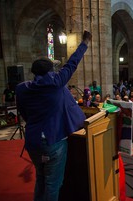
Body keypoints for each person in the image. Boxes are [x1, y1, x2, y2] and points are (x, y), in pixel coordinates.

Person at [16, 31, 92, 201]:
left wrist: (36, 123)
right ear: (50, 72)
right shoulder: (56, 82)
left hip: (33, 141)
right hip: (53, 141)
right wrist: (85, 42)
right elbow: (73, 63)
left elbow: (23, 112)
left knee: (41, 178)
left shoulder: (21, 89)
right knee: (53, 183)